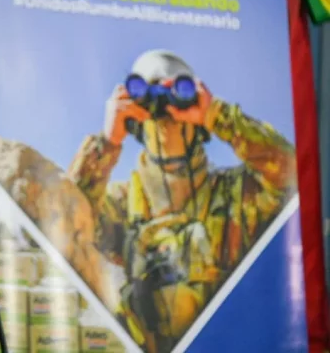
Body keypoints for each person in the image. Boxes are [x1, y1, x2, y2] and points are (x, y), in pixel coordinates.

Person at [67, 49, 296, 353]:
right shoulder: (121, 204)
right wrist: (107, 142)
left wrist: (217, 115)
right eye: (151, 100)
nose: (166, 116)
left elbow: (291, 173)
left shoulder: (236, 195)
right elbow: (66, 225)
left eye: (175, 96)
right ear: (136, 122)